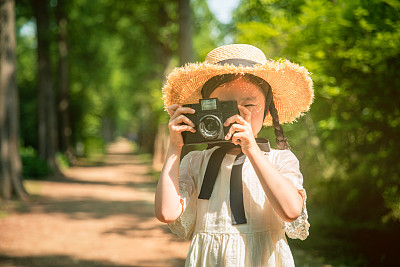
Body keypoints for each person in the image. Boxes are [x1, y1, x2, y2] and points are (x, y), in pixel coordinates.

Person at [154, 44, 313, 266]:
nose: (236, 116)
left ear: (267, 111)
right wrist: (175, 148)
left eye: (248, 105)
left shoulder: (279, 160)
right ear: (204, 109)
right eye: (223, 107)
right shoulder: (196, 162)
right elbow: (166, 213)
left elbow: (291, 211)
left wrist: (251, 148)